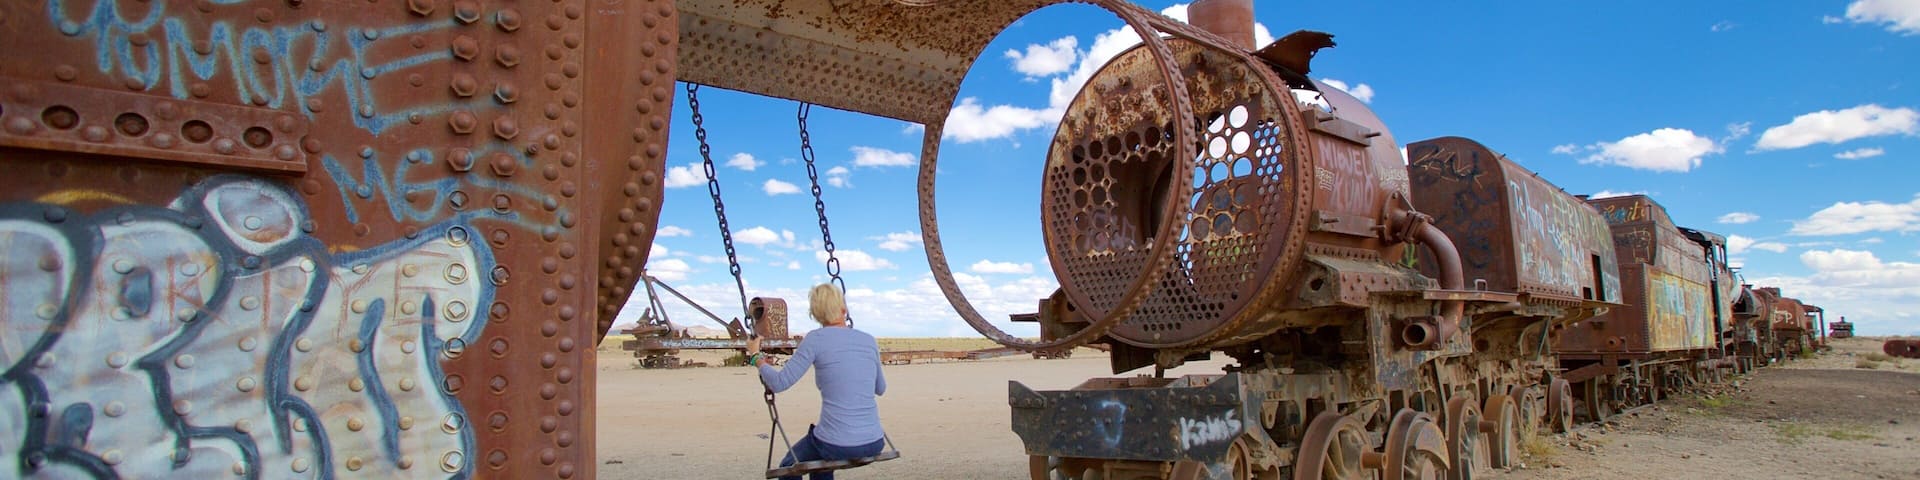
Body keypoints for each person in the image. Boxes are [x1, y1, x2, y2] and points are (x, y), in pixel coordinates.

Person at [747, 284, 888, 480]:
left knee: (789, 465)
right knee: (821, 464)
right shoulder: (868, 340)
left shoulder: (815, 339)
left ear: (815, 314)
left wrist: (756, 356)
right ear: (844, 308)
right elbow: (880, 389)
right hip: (874, 441)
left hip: (835, 443)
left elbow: (779, 383)